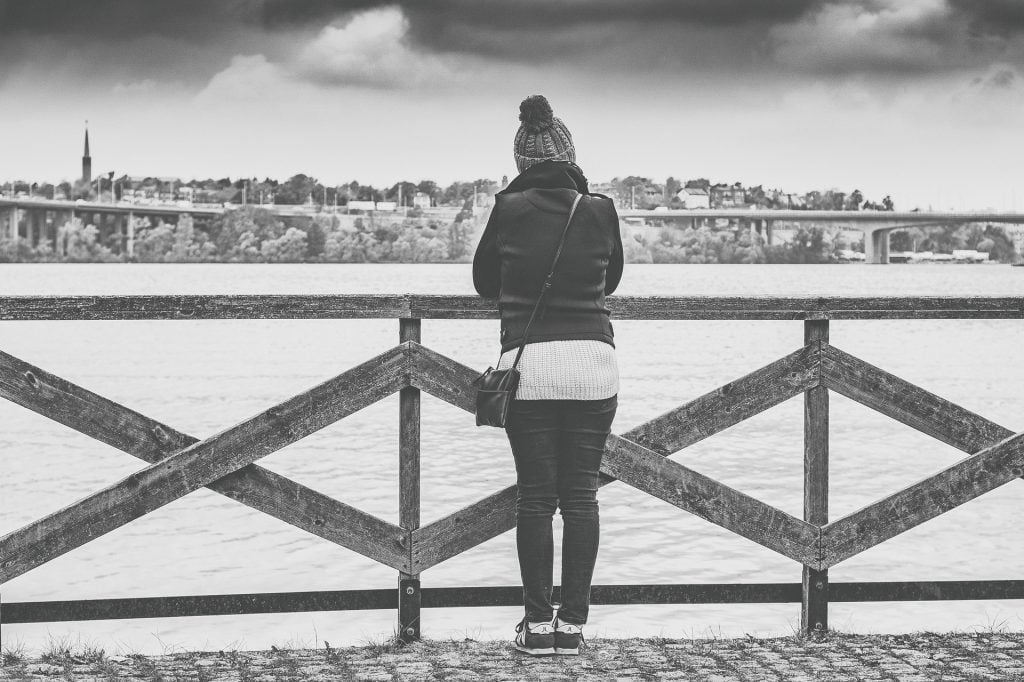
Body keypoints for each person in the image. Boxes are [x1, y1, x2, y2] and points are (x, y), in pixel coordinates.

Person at [472, 94, 624, 656]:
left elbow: (485, 283)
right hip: (593, 366)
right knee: (581, 497)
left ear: (521, 161)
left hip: (530, 367)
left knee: (536, 498)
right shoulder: (600, 208)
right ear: (570, 154)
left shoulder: (508, 209)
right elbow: (610, 282)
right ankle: (574, 629)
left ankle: (537, 628)